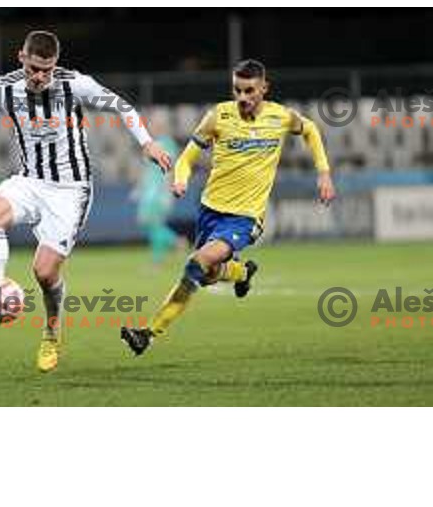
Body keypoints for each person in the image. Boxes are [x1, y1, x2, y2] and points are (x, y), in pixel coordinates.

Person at [0, 30, 171, 372]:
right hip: (30, 180)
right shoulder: (3, 89)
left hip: (71, 190)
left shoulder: (75, 84)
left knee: (44, 272)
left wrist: (147, 142)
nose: (40, 76)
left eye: (47, 69)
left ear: (56, 64)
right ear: (21, 57)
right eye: (34, 68)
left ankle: (51, 332)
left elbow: (121, 106)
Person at [121, 59, 335, 356]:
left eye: (250, 90)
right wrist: (180, 180)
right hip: (210, 211)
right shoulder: (218, 116)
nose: (243, 97)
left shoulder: (280, 117)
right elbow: (186, 158)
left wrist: (323, 173)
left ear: (264, 88)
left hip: (246, 217)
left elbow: (310, 129)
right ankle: (240, 273)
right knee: (208, 274)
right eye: (238, 90)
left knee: (196, 264)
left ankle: (148, 333)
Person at [134, 112, 184, 265]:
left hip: (158, 191)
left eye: (155, 124)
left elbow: (171, 168)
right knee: (152, 224)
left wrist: (169, 190)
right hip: (149, 190)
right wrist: (139, 188)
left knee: (154, 224)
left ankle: (174, 243)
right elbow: (147, 169)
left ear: (161, 126)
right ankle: (170, 247)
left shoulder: (167, 143)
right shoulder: (152, 143)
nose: (152, 127)